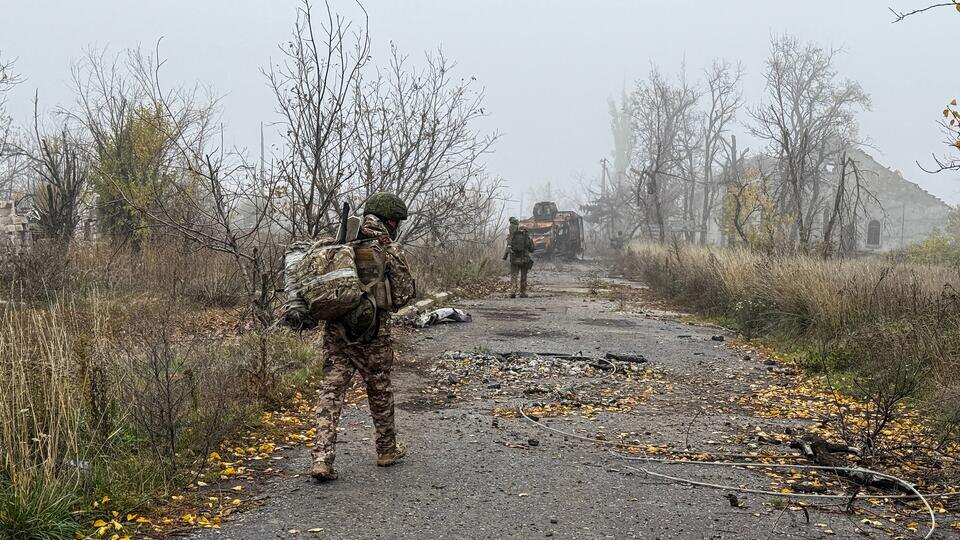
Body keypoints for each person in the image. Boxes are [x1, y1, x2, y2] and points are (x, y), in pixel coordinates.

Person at [310, 192, 416, 482]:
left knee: (331, 392)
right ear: (391, 220)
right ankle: (386, 450)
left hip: (336, 332)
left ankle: (322, 458)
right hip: (374, 334)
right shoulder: (388, 248)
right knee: (379, 389)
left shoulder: (340, 240)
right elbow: (404, 296)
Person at [503, 216, 534, 298]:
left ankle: (513, 291)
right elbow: (532, 249)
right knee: (523, 276)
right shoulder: (527, 237)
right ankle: (523, 293)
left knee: (514, 276)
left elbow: (508, 248)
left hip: (514, 259)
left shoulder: (511, 237)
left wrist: (505, 256)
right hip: (524, 260)